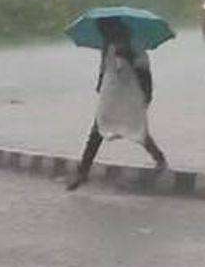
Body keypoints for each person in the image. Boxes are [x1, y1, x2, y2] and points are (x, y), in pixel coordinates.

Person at [67, 17, 168, 191]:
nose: (104, 34)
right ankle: (83, 172)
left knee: (136, 126)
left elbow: (143, 68)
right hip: (111, 92)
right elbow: (105, 67)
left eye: (106, 30)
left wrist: (146, 92)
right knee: (98, 129)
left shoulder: (133, 44)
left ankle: (159, 159)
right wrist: (100, 84)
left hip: (130, 92)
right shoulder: (107, 45)